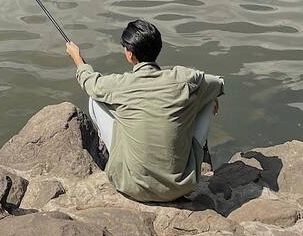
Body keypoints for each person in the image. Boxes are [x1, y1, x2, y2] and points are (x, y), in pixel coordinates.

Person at [65, 18, 224, 203]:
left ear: (130, 53)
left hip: (131, 186)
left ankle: (113, 154)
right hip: (180, 186)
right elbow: (219, 83)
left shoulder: (120, 84)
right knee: (208, 98)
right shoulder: (184, 78)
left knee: (95, 98)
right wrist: (212, 96)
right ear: (158, 48)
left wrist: (77, 58)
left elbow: (89, 82)